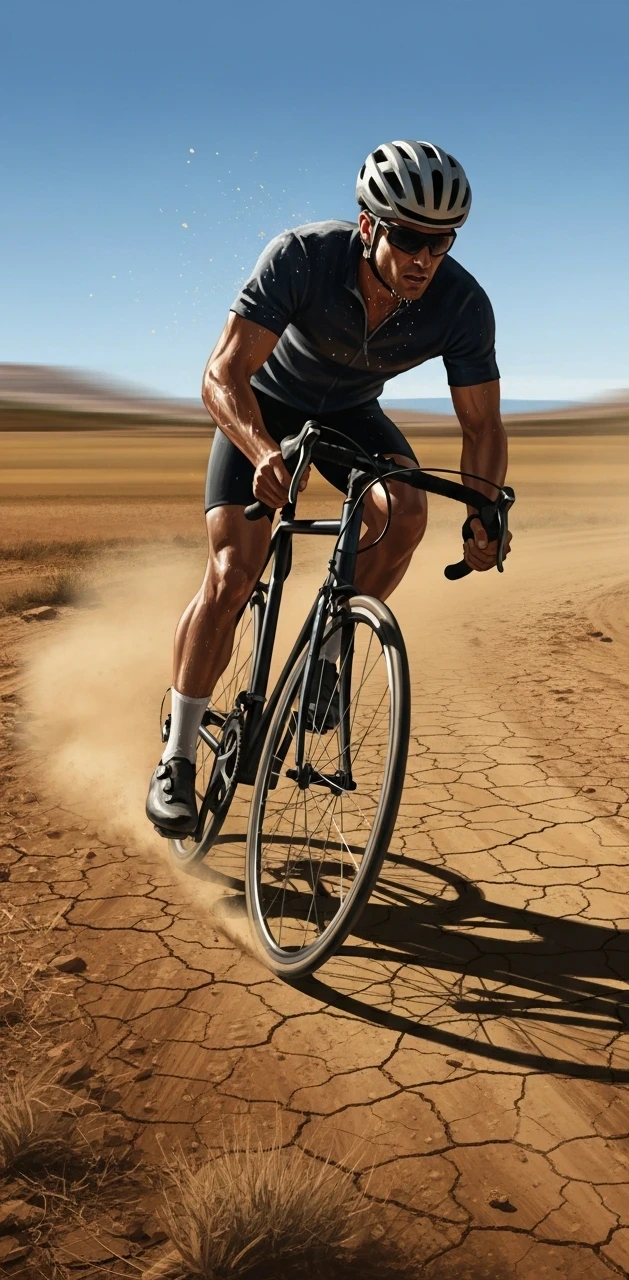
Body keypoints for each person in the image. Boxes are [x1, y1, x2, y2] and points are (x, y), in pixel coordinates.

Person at [146, 140, 511, 836]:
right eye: (409, 237)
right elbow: (221, 376)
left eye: (441, 242)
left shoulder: (461, 304)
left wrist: (486, 508)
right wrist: (259, 450)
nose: (425, 259)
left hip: (351, 415)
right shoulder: (303, 257)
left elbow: (482, 424)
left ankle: (328, 651)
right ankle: (178, 756)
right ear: (371, 226)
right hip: (265, 407)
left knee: (406, 509)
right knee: (232, 573)